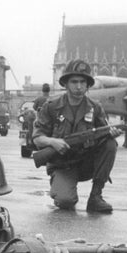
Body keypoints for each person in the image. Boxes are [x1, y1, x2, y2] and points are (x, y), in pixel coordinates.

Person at [33, 58, 118, 214]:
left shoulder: (95, 108)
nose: (79, 87)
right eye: (74, 82)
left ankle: (96, 197)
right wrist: (53, 142)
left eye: (83, 82)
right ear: (65, 84)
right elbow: (37, 138)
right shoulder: (51, 107)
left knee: (110, 144)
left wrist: (111, 134)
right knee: (66, 202)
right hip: (62, 164)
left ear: (87, 85)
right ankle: (60, 184)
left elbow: (103, 132)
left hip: (86, 164)